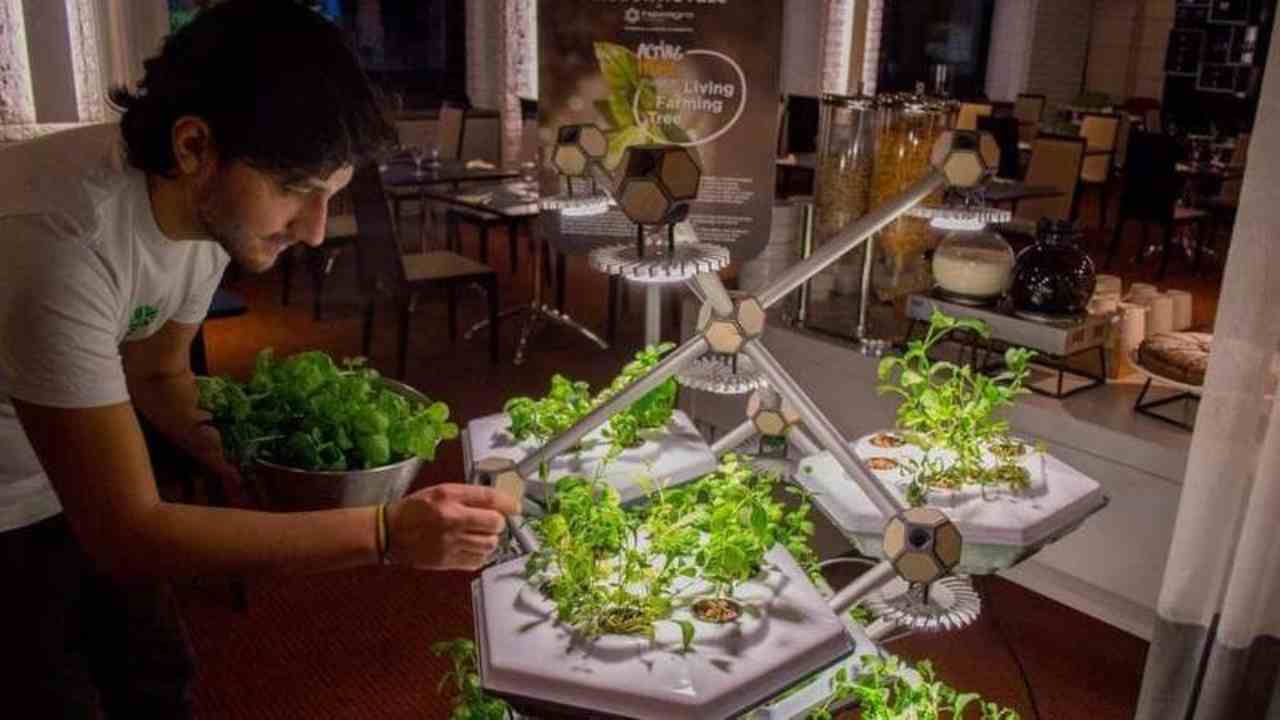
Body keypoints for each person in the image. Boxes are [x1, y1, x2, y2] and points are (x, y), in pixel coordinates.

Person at [0, 1, 518, 716]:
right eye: (295, 192)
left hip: (73, 454)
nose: (311, 232)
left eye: (328, 197)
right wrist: (383, 533)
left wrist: (270, 466)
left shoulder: (204, 210)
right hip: (7, 493)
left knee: (156, 672)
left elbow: (157, 374)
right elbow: (126, 532)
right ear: (193, 146)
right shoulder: (61, 241)